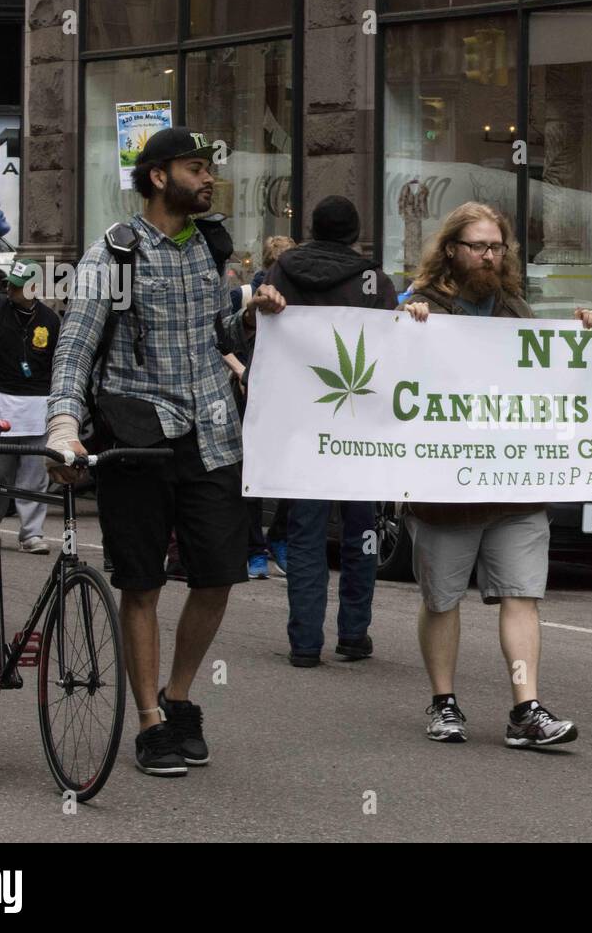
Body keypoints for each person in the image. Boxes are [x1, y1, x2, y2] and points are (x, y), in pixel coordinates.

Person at [45, 127, 286, 778]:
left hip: (210, 436)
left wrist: (252, 312)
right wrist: (64, 426)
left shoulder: (210, 248)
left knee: (217, 574)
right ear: (158, 177)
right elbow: (75, 347)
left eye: (208, 167)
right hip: (138, 441)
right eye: (195, 167)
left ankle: (179, 696)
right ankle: (151, 721)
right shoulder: (115, 255)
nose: (208, 178)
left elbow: (213, 332)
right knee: (143, 581)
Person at [401, 201, 592, 748]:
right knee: (442, 600)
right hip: (446, 486)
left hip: (515, 485)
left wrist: (584, 333)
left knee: (521, 596)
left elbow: (547, 376)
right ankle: (444, 703)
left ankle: (526, 708)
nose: (489, 256)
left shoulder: (515, 310)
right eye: (477, 246)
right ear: (451, 250)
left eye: (496, 246)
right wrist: (409, 331)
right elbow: (396, 382)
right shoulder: (420, 308)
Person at [264, 197, 397, 666]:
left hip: (303, 423)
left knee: (306, 534)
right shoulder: (373, 281)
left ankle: (304, 641)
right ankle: (353, 632)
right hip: (358, 424)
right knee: (362, 531)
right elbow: (390, 348)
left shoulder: (282, 271)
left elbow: (261, 327)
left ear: (312, 228)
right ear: (355, 231)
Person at [0, 259, 60, 554]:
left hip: (37, 404)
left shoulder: (50, 320)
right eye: (11, 286)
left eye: (19, 287)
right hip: (2, 402)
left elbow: (58, 362)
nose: (13, 291)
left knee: (34, 476)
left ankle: (31, 532)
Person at [228, 234, 295, 579]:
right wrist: (242, 370)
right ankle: (256, 548)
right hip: (254, 390)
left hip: (286, 391)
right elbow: (222, 337)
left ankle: (274, 541)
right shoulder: (245, 296)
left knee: (286, 470)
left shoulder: (298, 297)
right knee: (253, 473)